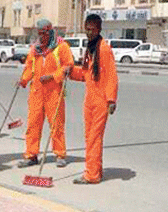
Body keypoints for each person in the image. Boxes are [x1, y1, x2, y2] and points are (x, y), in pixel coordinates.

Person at [69, 14, 118, 185]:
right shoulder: (90, 49)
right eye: (87, 29)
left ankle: (91, 175)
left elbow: (112, 75)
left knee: (94, 138)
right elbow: (85, 74)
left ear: (99, 29)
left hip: (101, 100)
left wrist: (111, 100)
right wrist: (70, 72)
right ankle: (95, 169)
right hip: (89, 99)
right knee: (89, 137)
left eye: (92, 29)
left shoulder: (103, 49)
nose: (89, 33)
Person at [19, 19, 74, 167]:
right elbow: (29, 68)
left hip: (54, 91)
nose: (41, 36)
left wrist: (52, 76)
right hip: (36, 91)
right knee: (33, 124)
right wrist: (23, 80)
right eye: (39, 33)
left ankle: (60, 154)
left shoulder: (61, 47)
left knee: (56, 123)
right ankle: (31, 155)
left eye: (44, 33)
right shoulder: (35, 49)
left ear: (50, 32)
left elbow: (68, 65)